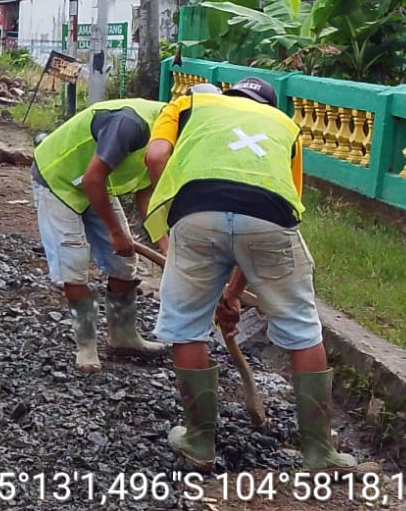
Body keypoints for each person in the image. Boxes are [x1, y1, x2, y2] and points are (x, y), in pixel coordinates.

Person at [142, 76, 355, 471]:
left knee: (187, 326)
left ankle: (199, 443)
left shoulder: (194, 105)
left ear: (229, 96)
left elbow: (156, 157)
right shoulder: (285, 126)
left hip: (196, 209)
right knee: (303, 329)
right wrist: (234, 291)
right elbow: (270, 208)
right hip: (270, 219)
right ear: (269, 106)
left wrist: (174, 216)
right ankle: (320, 453)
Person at [31, 96, 167, 373]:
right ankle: (86, 345)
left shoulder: (171, 137)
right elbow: (93, 178)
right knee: (74, 264)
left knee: (124, 265)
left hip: (96, 185)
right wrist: (116, 233)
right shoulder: (131, 123)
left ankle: (122, 336)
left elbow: (145, 190)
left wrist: (164, 245)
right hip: (59, 179)